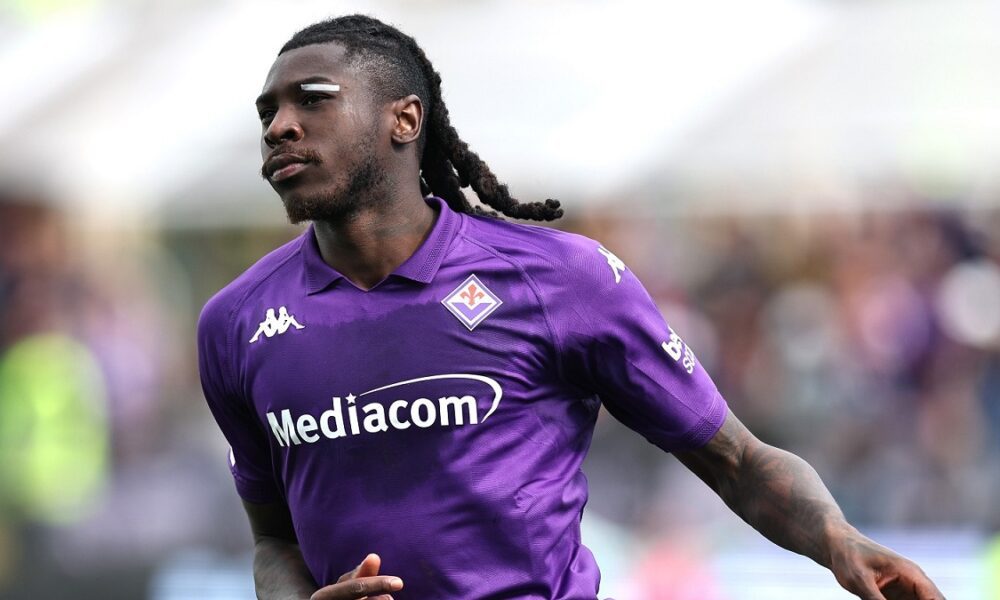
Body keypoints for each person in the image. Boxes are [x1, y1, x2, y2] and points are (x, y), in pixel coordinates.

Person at [197, 14, 945, 600]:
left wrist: (841, 542)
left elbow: (738, 462)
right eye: (268, 111)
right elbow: (273, 543)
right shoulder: (235, 325)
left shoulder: (559, 280)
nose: (279, 126)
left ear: (406, 119)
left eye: (312, 99)